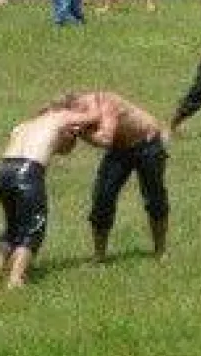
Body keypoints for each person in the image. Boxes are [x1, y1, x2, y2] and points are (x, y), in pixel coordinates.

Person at [56, 91, 173, 262]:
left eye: (80, 113)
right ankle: (99, 256)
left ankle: (161, 250)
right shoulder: (83, 113)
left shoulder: (107, 102)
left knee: (154, 197)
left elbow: (105, 139)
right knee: (102, 197)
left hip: (147, 144)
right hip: (119, 149)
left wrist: (80, 132)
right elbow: (66, 149)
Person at [0, 100, 94, 288]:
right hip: (28, 171)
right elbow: (92, 117)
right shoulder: (61, 117)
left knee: (13, 225)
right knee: (33, 227)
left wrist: (71, 136)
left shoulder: (24, 125)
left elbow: (63, 150)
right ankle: (16, 279)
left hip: (3, 170)